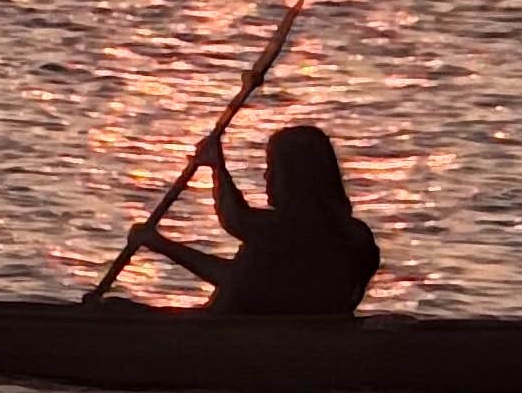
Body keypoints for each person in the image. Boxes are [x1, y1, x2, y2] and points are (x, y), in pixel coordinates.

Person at [137, 121, 380, 314]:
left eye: (273, 169)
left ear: (296, 177)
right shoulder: (353, 233)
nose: (266, 177)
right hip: (280, 331)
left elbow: (235, 221)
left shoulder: (290, 231)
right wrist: (160, 243)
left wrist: (217, 167)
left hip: (261, 337)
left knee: (114, 310)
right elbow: (237, 275)